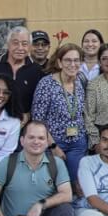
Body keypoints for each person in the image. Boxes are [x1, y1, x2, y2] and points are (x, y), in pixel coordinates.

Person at [31, 43, 88, 187]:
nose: (72, 64)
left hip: (77, 142)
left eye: (76, 60)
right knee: (54, 184)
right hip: (55, 141)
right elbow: (38, 120)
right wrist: (53, 146)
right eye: (68, 60)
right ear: (59, 62)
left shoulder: (80, 80)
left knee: (78, 184)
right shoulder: (46, 84)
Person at [0, 26, 43, 115]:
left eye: (24, 44)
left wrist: (28, 114)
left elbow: (39, 100)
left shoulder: (36, 70)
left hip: (22, 120)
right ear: (8, 44)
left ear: (29, 46)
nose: (20, 48)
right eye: (15, 43)